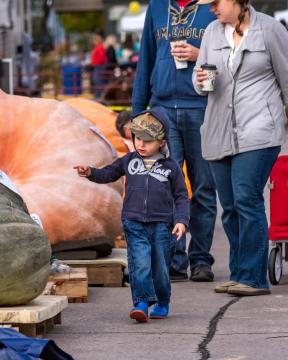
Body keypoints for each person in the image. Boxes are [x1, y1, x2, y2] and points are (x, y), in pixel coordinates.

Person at [193, 0, 288, 295]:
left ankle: (255, 278)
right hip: (219, 130)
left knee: (247, 197)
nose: (211, 9)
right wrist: (200, 81)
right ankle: (240, 273)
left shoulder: (270, 30)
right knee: (231, 206)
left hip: (259, 130)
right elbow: (201, 83)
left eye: (215, 2)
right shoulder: (211, 32)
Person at [74, 108, 190, 322]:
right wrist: (90, 172)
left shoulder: (171, 167)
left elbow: (182, 196)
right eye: (137, 138)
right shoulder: (128, 160)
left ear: (162, 142)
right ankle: (142, 303)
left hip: (162, 224)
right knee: (140, 262)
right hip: (134, 221)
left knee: (161, 267)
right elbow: (108, 173)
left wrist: (181, 220)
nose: (141, 144)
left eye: (147, 140)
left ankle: (162, 301)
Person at [132, 0, 218, 283]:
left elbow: (227, 56)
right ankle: (173, 260)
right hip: (162, 108)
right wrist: (137, 116)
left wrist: (198, 54)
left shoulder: (214, 7)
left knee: (204, 186)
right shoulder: (157, 7)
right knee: (164, 187)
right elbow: (146, 59)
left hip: (202, 107)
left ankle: (201, 259)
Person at [90, 33, 108, 98]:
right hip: (98, 67)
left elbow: (101, 58)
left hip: (99, 67)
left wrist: (95, 63)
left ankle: (99, 97)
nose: (93, 42)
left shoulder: (99, 47)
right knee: (98, 82)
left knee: (98, 82)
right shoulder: (99, 47)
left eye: (94, 40)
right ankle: (98, 96)